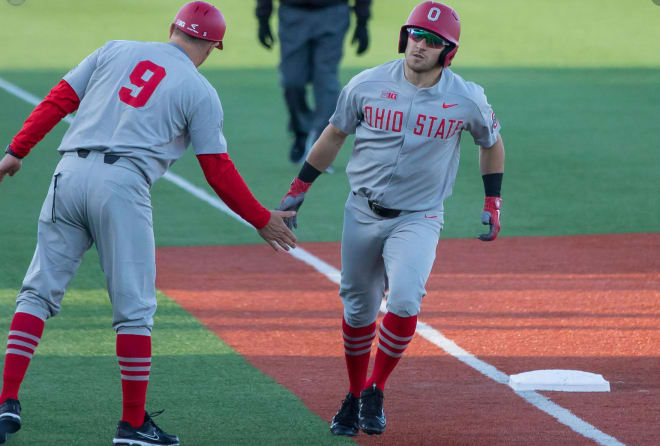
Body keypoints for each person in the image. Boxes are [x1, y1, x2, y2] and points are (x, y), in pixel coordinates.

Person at [0, 2, 297, 444]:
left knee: (37, 292)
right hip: (122, 187)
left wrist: (15, 152)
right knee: (135, 310)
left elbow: (58, 99)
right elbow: (217, 168)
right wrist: (260, 218)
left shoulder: (113, 49)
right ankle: (133, 424)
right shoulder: (199, 90)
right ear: (213, 46)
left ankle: (6, 401)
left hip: (68, 174)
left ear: (173, 30)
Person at [277, 1, 505, 436]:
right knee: (359, 308)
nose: (421, 45)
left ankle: (375, 388)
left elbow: (491, 142)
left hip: (419, 217)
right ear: (404, 37)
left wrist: (493, 201)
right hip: (361, 211)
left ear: (448, 52)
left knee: (403, 300)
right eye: (416, 34)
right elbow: (334, 134)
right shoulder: (367, 84)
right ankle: (353, 392)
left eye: (433, 41)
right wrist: (298, 189)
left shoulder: (466, 97)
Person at [255, 0, 372, 166]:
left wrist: (362, 20)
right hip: (292, 14)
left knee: (326, 82)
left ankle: (321, 145)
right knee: (291, 81)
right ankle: (301, 129)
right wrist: (263, 17)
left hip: (334, 12)